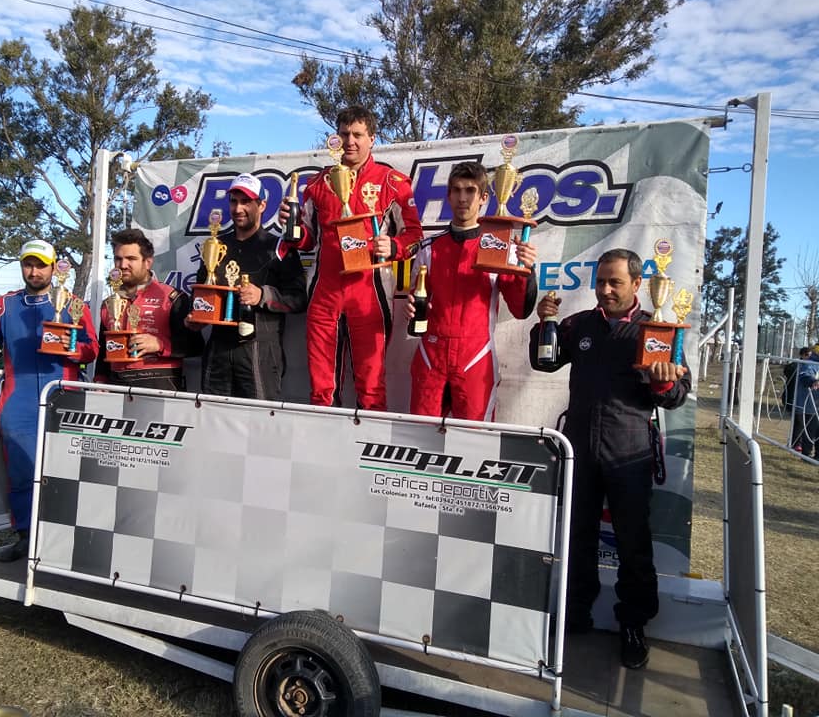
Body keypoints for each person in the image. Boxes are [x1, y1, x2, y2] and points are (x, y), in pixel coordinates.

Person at [528, 248, 691, 670]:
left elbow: (676, 395)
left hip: (628, 452)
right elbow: (544, 363)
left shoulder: (656, 330)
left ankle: (633, 624)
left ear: (637, 284)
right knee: (576, 537)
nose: (605, 290)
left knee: (633, 543)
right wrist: (543, 324)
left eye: (614, 282)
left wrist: (662, 384)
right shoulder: (579, 324)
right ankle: (575, 612)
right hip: (579, 448)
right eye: (600, 281)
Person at [278, 105, 423, 410]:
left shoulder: (392, 182)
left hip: (370, 294)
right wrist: (292, 229)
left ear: (372, 138)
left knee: (371, 389)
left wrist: (393, 247)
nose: (350, 141)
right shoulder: (318, 184)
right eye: (344, 134)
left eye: (357, 134)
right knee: (321, 390)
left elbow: (414, 236)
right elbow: (307, 240)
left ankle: (368, 439)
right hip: (325, 292)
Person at [0, 240, 98, 562]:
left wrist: (70, 348)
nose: (34, 271)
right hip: (18, 399)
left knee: (66, 470)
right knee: (22, 471)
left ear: (53, 268)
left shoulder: (72, 303)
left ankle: (68, 537)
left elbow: (92, 349)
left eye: (40, 265)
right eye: (28, 264)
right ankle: (25, 536)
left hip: (63, 397)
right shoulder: (4, 305)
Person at [406, 161, 537, 420]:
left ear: (484, 198)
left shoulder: (499, 246)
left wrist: (527, 269)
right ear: (448, 196)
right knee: (419, 435)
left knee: (474, 437)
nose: (462, 198)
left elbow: (521, 309)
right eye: (456, 190)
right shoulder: (429, 248)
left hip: (476, 356)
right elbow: (417, 305)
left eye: (470, 191)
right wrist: (413, 307)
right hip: (430, 354)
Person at [185, 173, 307, 399]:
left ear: (262, 205)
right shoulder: (215, 246)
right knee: (214, 414)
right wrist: (197, 318)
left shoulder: (278, 247)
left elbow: (299, 300)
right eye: (234, 201)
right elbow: (203, 294)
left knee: (257, 417)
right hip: (218, 349)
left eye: (246, 202)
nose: (238, 208)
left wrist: (263, 295)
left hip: (260, 350)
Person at [95, 228, 202, 391]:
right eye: (118, 259)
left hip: (159, 382)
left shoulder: (171, 298)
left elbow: (196, 346)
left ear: (148, 262)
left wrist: (160, 345)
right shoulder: (108, 304)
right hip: (115, 384)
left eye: (131, 259)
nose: (123, 265)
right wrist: (100, 380)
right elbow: (104, 348)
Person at [793, 348, 819, 458]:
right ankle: (806, 454)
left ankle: (816, 455)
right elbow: (804, 375)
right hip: (810, 405)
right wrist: (813, 381)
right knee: (811, 430)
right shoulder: (810, 364)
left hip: (813, 404)